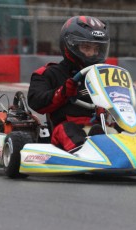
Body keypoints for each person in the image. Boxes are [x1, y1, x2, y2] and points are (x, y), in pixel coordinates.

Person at [27, 16, 111, 152]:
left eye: (96, 48)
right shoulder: (50, 73)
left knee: (129, 128)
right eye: (87, 47)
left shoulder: (103, 74)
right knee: (67, 129)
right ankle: (84, 152)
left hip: (100, 126)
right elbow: (36, 101)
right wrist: (63, 92)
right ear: (71, 45)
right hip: (65, 130)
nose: (93, 53)